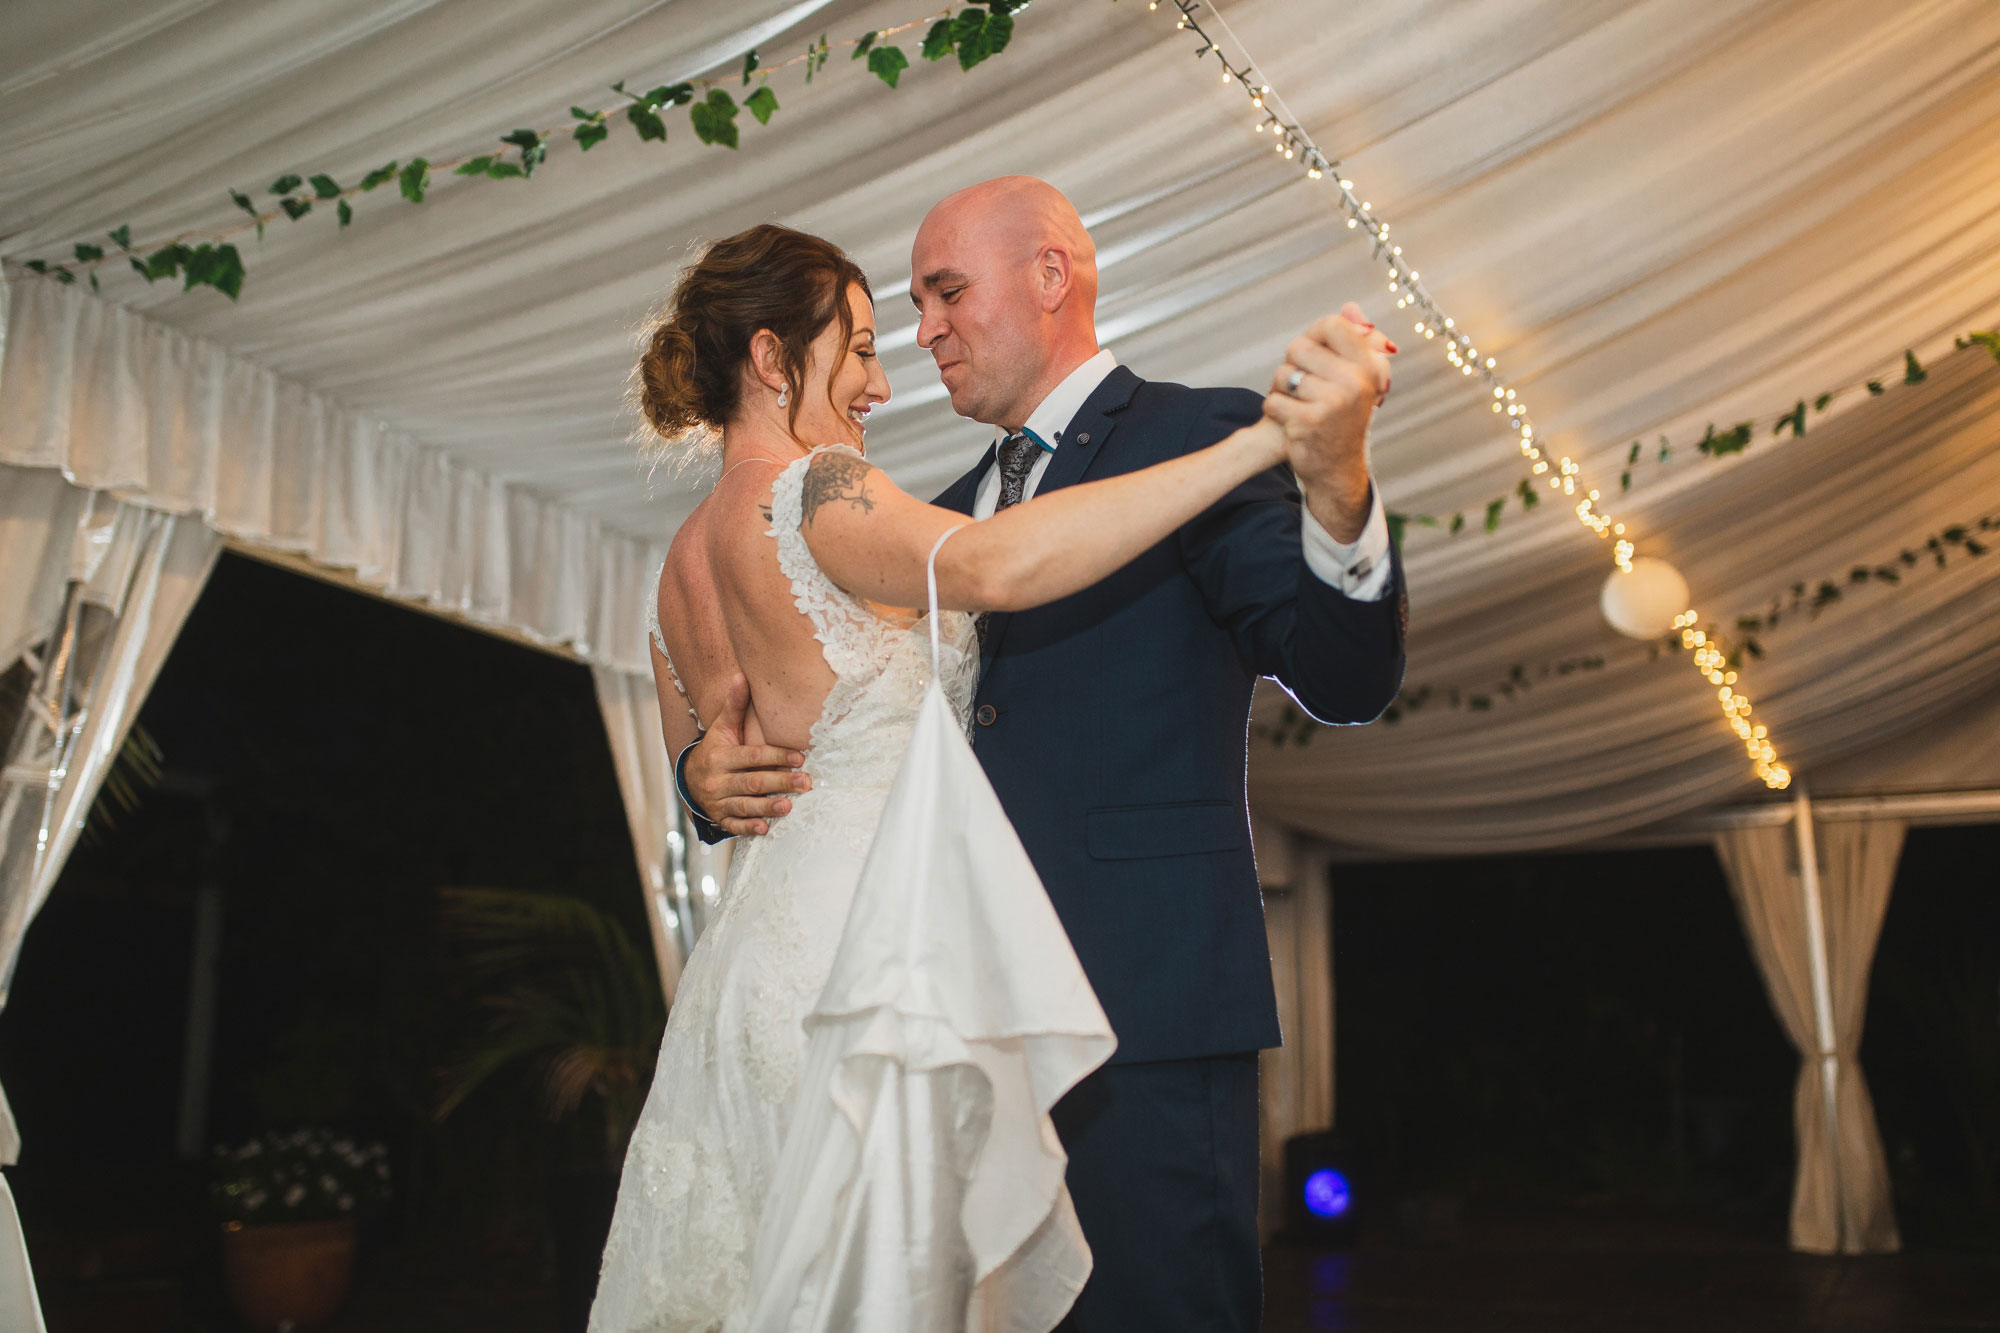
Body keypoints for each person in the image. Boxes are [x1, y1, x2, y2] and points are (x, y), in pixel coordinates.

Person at [589, 220, 1394, 1332]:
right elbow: (988, 568)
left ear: (1051, 273)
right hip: (891, 970)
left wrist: (694, 777)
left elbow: (713, 752)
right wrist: (1265, 441)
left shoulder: (678, 556)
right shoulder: (833, 491)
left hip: (817, 973)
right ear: (773, 359)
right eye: (865, 343)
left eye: (936, 300)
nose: (891, 367)